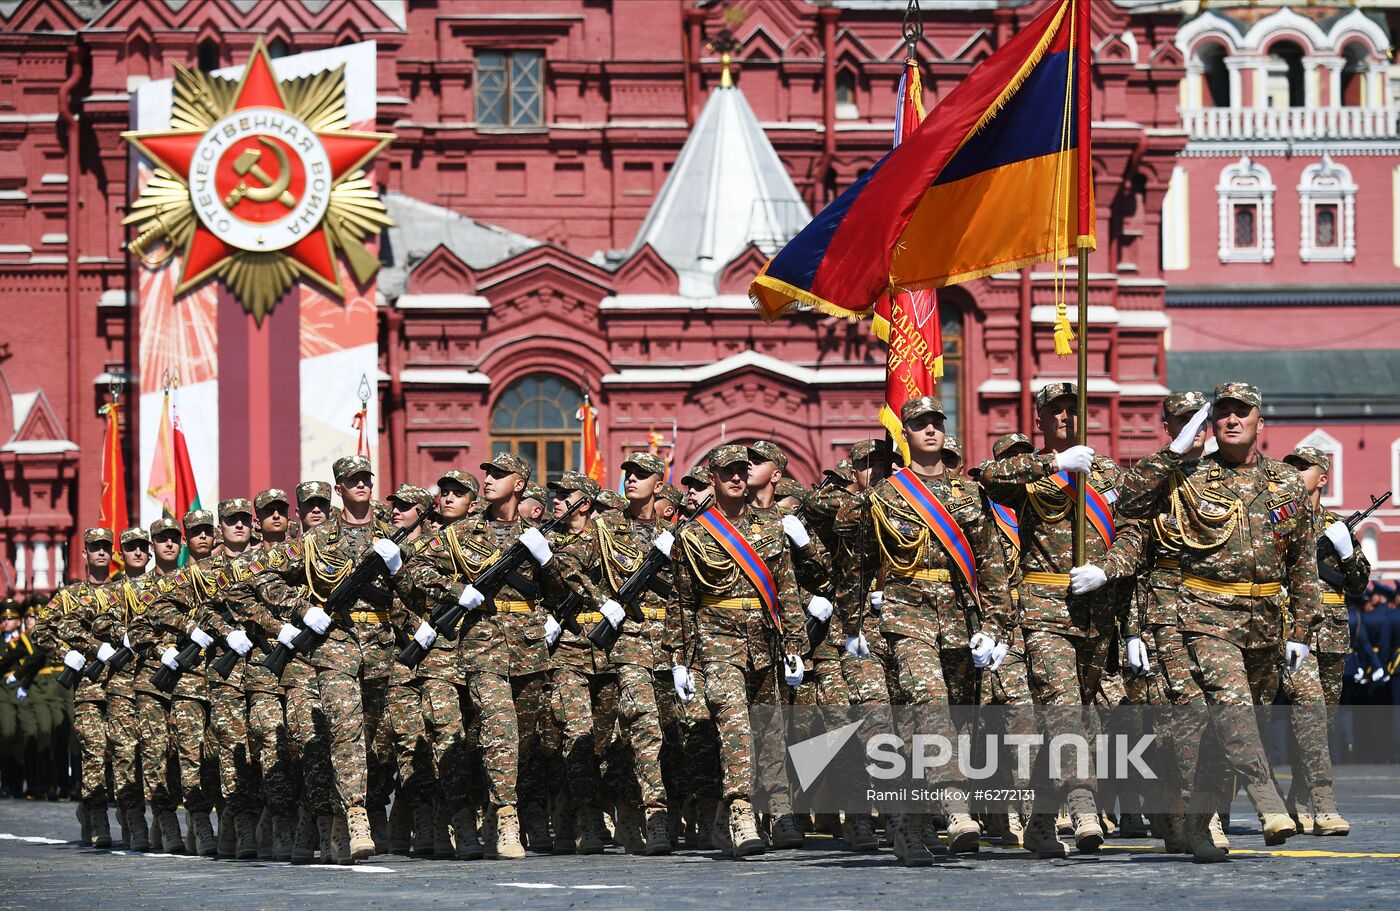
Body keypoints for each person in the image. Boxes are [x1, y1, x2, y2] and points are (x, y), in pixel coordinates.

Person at [1115, 382, 1310, 860]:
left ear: (1261, 422)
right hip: (1205, 614)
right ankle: (1267, 802)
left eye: (1242, 412)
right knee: (1232, 707)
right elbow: (1127, 501)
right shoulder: (1188, 478)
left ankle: (1201, 825)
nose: (1231, 420)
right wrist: (1172, 451)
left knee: (1234, 730)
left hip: (1264, 621)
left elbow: (1302, 561)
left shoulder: (1286, 483)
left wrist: (1301, 630)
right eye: (1221, 413)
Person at [839, 398, 1012, 865]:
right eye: (920, 425)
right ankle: (955, 806)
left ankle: (909, 827)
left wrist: (994, 626)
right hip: (904, 613)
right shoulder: (886, 496)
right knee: (928, 704)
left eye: (937, 423)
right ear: (906, 436)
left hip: (959, 617)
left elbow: (990, 563)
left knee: (946, 721)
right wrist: (853, 624)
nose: (931, 431)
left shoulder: (968, 494)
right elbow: (858, 566)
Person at [979, 382, 1142, 858]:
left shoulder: (1110, 473)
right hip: (1044, 609)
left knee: (1070, 718)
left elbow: (1134, 534)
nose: (1067, 417)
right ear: (1041, 420)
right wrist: (1054, 463)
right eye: (1056, 411)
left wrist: (1107, 569)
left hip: (1097, 615)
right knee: (1064, 707)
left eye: (1075, 409)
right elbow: (985, 476)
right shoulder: (1031, 472)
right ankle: (1084, 805)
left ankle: (1041, 822)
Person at [398, 452, 568, 860]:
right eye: (487, 473)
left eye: (499, 474)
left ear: (521, 484)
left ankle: (486, 811)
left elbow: (563, 594)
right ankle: (506, 819)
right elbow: (412, 572)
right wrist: (456, 590)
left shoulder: (540, 534)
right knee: (500, 728)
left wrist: (546, 559)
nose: (488, 479)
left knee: (520, 742)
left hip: (529, 648)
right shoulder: (461, 532)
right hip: (481, 646)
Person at [669, 444, 808, 857]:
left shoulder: (769, 529)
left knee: (768, 730)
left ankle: (776, 812)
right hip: (718, 642)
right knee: (734, 725)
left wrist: (795, 644)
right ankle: (741, 811)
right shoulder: (693, 535)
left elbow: (786, 590)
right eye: (727, 471)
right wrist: (680, 660)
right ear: (712, 477)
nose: (735, 478)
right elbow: (682, 603)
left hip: (764, 641)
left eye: (741, 471)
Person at [1278, 446, 1366, 836]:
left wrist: (1346, 551)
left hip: (1332, 636)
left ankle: (1297, 800)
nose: (1296, 473)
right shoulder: (1277, 521)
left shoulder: (1337, 526)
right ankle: (1325, 803)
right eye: (1290, 466)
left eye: (1304, 467)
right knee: (1309, 712)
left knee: (1320, 725)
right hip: (1291, 633)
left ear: (1323, 476)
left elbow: (1359, 584)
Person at [31, 527, 120, 847]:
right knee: (95, 753)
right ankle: (96, 817)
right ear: (84, 553)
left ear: (112, 554)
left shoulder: (126, 590)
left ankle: (125, 814)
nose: (100, 553)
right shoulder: (69, 596)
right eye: (94, 547)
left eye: (105, 548)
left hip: (124, 687)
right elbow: (41, 630)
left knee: (122, 754)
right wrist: (65, 653)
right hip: (88, 689)